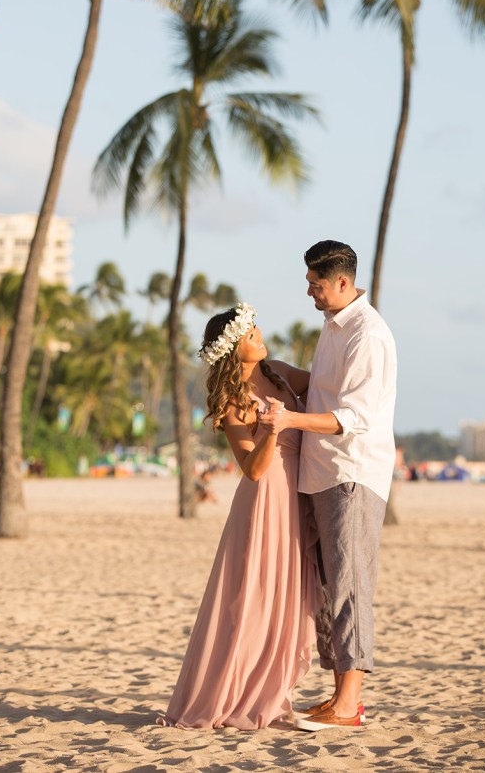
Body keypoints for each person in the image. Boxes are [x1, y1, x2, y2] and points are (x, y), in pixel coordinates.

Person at [259, 240, 397, 730]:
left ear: (342, 282)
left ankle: (349, 704)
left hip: (351, 473)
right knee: (327, 588)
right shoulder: (334, 326)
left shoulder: (368, 333)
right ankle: (340, 696)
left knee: (349, 586)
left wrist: (288, 420)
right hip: (321, 473)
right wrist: (264, 371)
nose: (310, 293)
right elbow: (318, 387)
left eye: (316, 285)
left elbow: (354, 417)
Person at [158, 302, 316, 729]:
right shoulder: (233, 403)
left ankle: (271, 689)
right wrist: (272, 429)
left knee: (286, 598)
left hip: (296, 496)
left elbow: (325, 382)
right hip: (264, 503)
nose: (258, 335)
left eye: (254, 328)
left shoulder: (279, 372)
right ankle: (229, 695)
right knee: (250, 598)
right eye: (249, 334)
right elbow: (254, 470)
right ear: (232, 350)